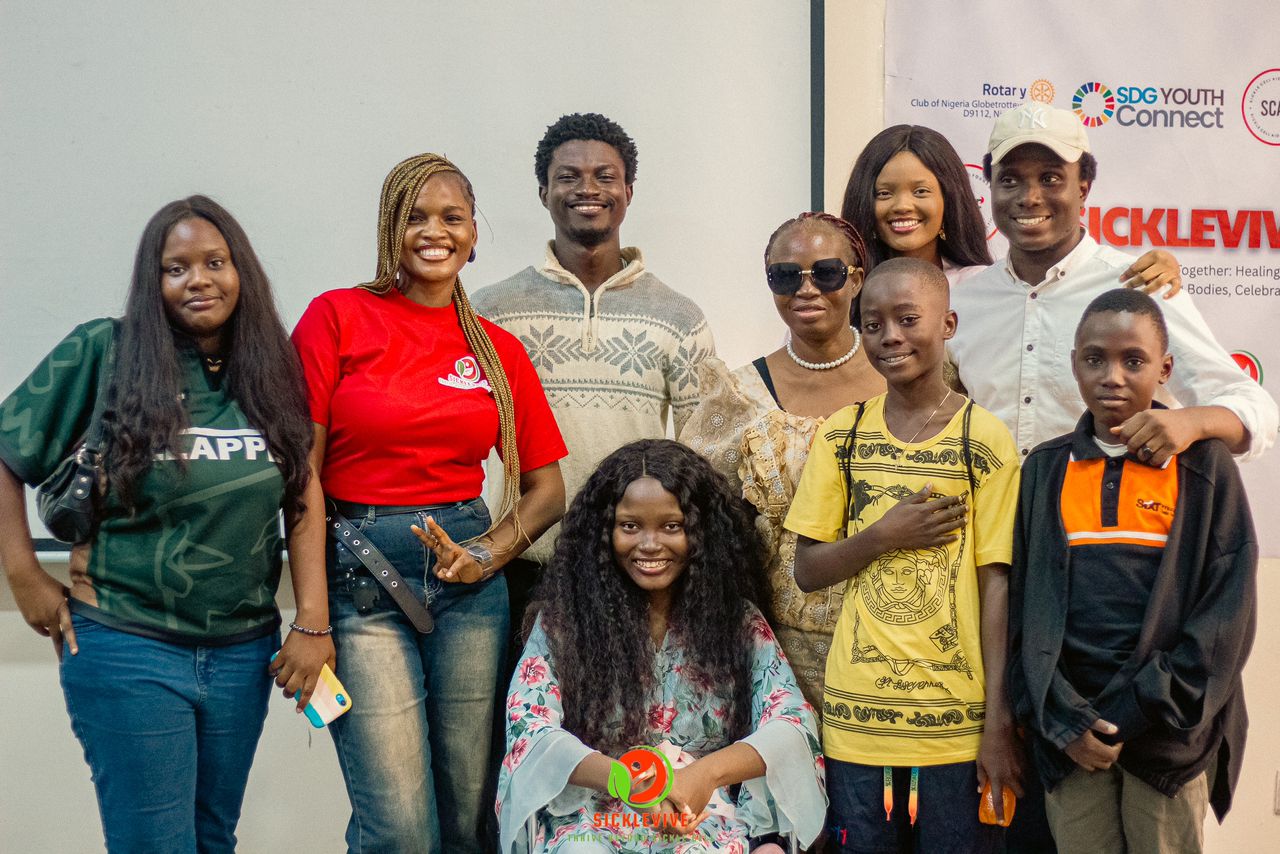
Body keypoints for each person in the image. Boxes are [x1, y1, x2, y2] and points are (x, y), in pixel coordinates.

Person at [0, 195, 331, 853]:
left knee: (212, 838)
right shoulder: (106, 349)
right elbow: (8, 453)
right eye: (175, 268)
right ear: (152, 282)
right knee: (155, 843)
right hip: (127, 644)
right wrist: (23, 573)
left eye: (215, 262)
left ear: (243, 272)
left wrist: (312, 621)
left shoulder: (270, 369)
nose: (197, 279)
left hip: (243, 650)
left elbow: (303, 497)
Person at [290, 153, 567, 853]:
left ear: (474, 234)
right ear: (390, 229)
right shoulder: (337, 317)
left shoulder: (496, 349)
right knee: (401, 828)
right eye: (415, 216)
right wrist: (311, 620)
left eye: (452, 217)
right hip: (358, 578)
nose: (433, 231)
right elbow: (300, 479)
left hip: (469, 588)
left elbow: (547, 490)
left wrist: (486, 553)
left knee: (468, 816)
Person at [786, 258, 1024, 853]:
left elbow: (997, 584)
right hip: (856, 727)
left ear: (948, 324)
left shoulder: (983, 439)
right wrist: (885, 535)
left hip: (956, 728)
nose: (890, 336)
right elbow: (808, 570)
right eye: (872, 324)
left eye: (908, 319)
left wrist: (998, 724)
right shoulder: (842, 434)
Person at [1008, 289, 1257, 853]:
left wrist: (1129, 713)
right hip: (1074, 738)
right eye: (1094, 359)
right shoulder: (1046, 470)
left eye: (1134, 361)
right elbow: (1026, 610)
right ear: (1073, 364)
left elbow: (1225, 618)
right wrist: (1063, 720)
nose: (1112, 376)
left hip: (1165, 739)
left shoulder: (1203, 466)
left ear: (1165, 368)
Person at [498, 439, 826, 854]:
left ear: (702, 532)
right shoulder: (564, 623)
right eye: (630, 526)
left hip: (701, 814)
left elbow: (792, 722)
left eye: (672, 526)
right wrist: (629, 785)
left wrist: (706, 776)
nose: (650, 544)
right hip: (593, 813)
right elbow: (531, 730)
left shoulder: (736, 622)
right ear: (603, 531)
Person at [471, 112, 715, 654]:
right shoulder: (489, 312)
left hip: (635, 570)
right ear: (543, 192)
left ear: (628, 191)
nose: (587, 189)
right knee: (515, 735)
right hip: (520, 564)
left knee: (623, 737)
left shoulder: (679, 316)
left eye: (605, 176)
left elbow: (704, 456)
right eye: (568, 176)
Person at [951, 103, 1278, 464]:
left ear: (1083, 189)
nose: (1029, 197)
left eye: (1050, 178)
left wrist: (1190, 422)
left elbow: (1255, 408)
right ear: (992, 188)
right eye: (1010, 180)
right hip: (991, 519)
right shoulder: (965, 301)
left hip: (1107, 518)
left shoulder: (1139, 285)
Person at [680, 211, 884, 710]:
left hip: (893, 634)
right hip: (777, 646)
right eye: (786, 276)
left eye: (827, 273)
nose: (806, 289)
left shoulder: (904, 376)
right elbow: (700, 515)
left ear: (856, 279)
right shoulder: (740, 394)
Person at [840, 123, 1183, 291]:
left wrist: (1161, 267)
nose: (902, 206)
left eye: (920, 191)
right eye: (884, 194)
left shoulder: (977, 289)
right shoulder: (837, 291)